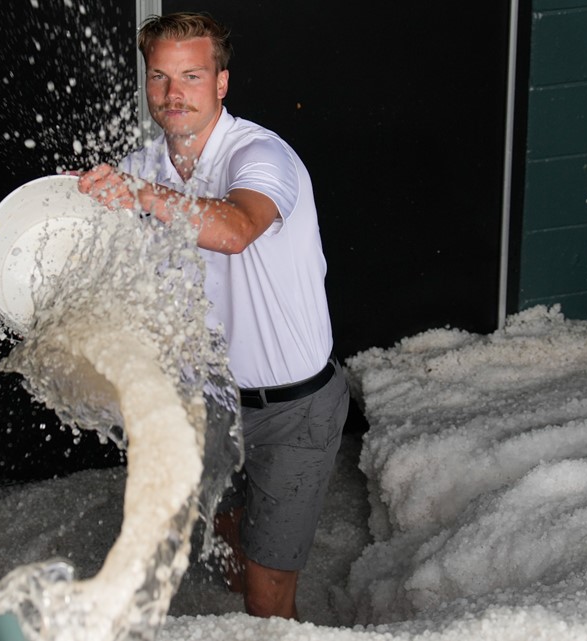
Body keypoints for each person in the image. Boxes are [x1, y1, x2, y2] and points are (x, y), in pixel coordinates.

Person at [77, 11, 349, 621]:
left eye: (192, 77)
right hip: (208, 403)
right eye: (160, 78)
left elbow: (235, 229)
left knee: (265, 592)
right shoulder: (141, 166)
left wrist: (142, 197)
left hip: (293, 408)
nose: (174, 95)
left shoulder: (259, 156)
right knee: (218, 541)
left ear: (221, 83)